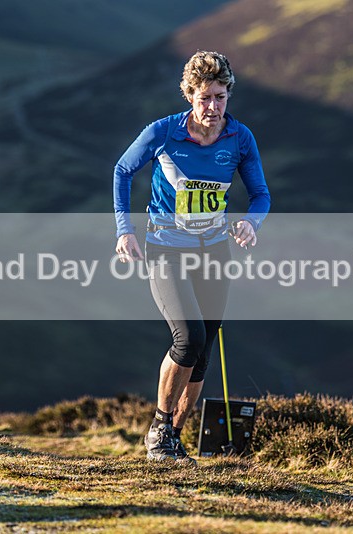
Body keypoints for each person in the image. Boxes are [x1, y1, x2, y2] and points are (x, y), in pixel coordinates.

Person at [113, 51, 271, 462]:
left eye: (220, 97)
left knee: (202, 353)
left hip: (214, 251)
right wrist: (124, 230)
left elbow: (261, 195)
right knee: (188, 339)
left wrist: (251, 223)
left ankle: (172, 440)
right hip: (165, 249)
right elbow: (122, 171)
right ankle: (159, 427)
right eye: (205, 98)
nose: (213, 108)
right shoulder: (162, 133)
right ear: (189, 96)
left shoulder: (240, 138)